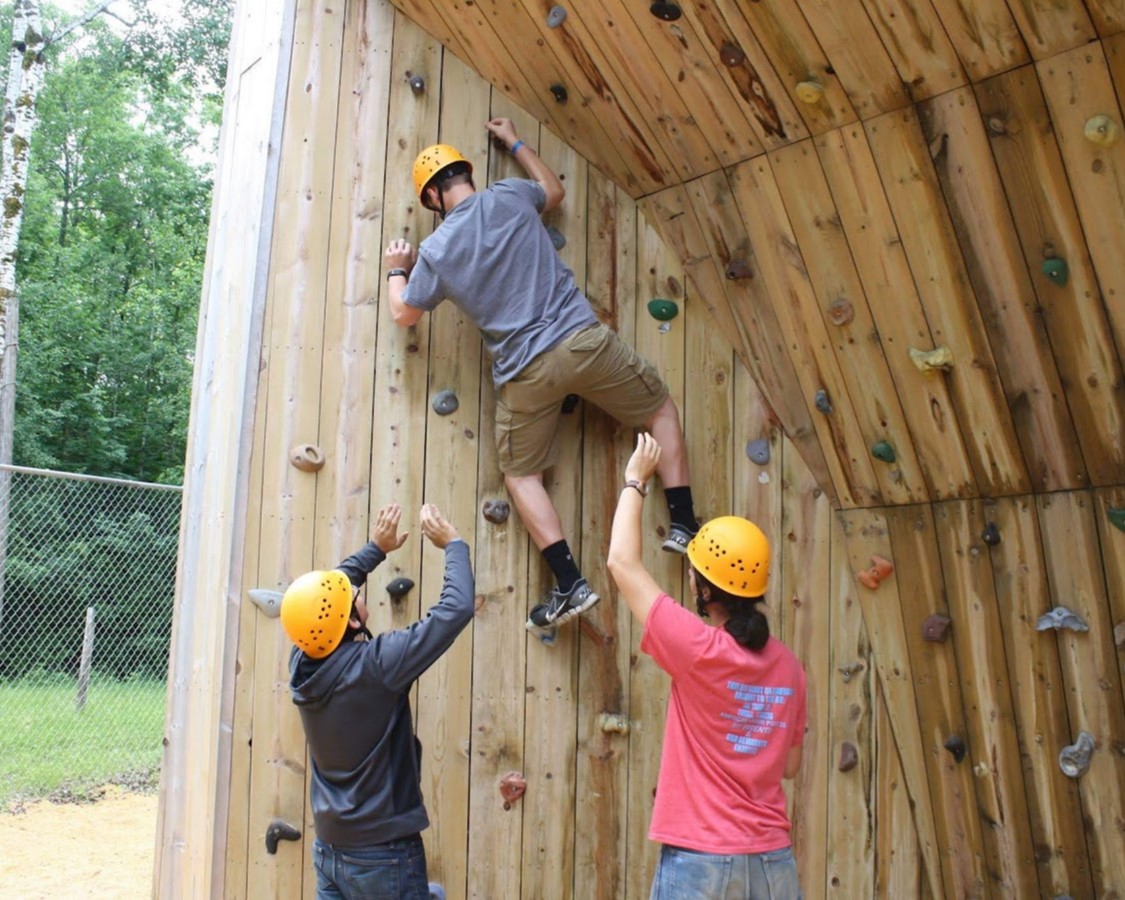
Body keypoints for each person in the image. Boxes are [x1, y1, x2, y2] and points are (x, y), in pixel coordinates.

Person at [383, 118, 698, 632]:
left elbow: (404, 313)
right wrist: (515, 143)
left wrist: (399, 266)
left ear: (434, 197)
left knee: (520, 474)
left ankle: (570, 583)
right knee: (659, 408)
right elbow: (554, 191)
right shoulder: (509, 194)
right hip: (582, 342)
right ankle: (683, 523)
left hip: (525, 372)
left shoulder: (436, 252)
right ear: (463, 173)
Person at [607, 434, 807, 900]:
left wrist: (635, 480)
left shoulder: (698, 648)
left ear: (702, 586)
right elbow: (792, 765)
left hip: (701, 859)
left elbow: (621, 562)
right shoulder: (790, 667)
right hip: (773, 862)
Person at [280, 502, 474, 900]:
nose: (354, 586)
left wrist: (376, 548)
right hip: (383, 855)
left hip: (330, 849)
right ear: (352, 621)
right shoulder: (377, 666)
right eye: (354, 595)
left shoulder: (302, 661)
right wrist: (454, 545)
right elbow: (455, 610)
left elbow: (326, 597)